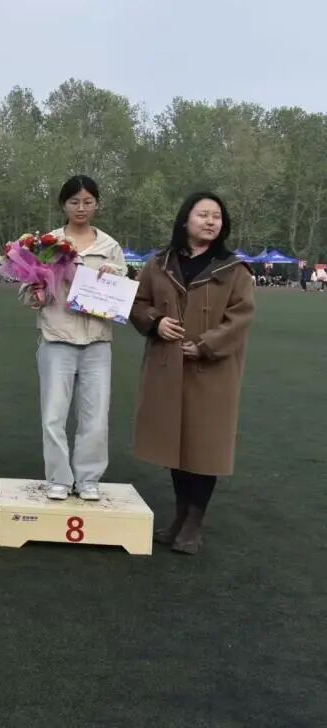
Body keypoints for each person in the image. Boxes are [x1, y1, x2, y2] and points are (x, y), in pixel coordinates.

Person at [130, 191, 254, 555]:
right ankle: (180, 516)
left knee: (204, 446)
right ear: (185, 220)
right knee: (176, 444)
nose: (211, 221)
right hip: (167, 368)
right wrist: (155, 322)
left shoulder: (233, 269)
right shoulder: (159, 263)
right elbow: (137, 302)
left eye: (217, 216)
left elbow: (240, 317)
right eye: (203, 215)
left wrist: (205, 344)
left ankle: (194, 523)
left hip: (212, 372)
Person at [23, 176, 126, 500]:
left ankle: (88, 478)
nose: (81, 208)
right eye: (74, 202)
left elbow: (123, 295)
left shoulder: (110, 247)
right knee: (53, 415)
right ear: (63, 205)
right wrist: (37, 294)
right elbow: (28, 291)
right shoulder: (47, 244)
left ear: (97, 204)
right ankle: (59, 479)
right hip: (57, 337)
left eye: (88, 202)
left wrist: (112, 281)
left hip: (97, 342)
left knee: (95, 416)